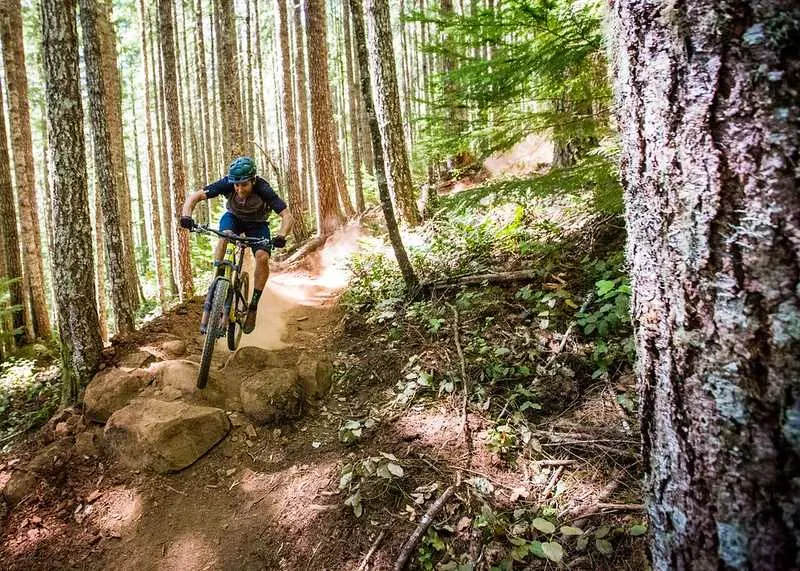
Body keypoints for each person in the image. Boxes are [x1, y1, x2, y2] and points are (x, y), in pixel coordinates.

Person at [180, 156, 293, 334]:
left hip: (257, 224)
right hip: (233, 218)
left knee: (262, 257)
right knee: (224, 236)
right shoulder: (227, 183)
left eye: (244, 185)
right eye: (236, 185)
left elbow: (287, 216)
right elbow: (195, 197)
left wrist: (281, 235)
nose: (239, 189)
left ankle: (253, 306)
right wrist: (186, 216)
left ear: (253, 180)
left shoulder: (263, 188)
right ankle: (217, 279)